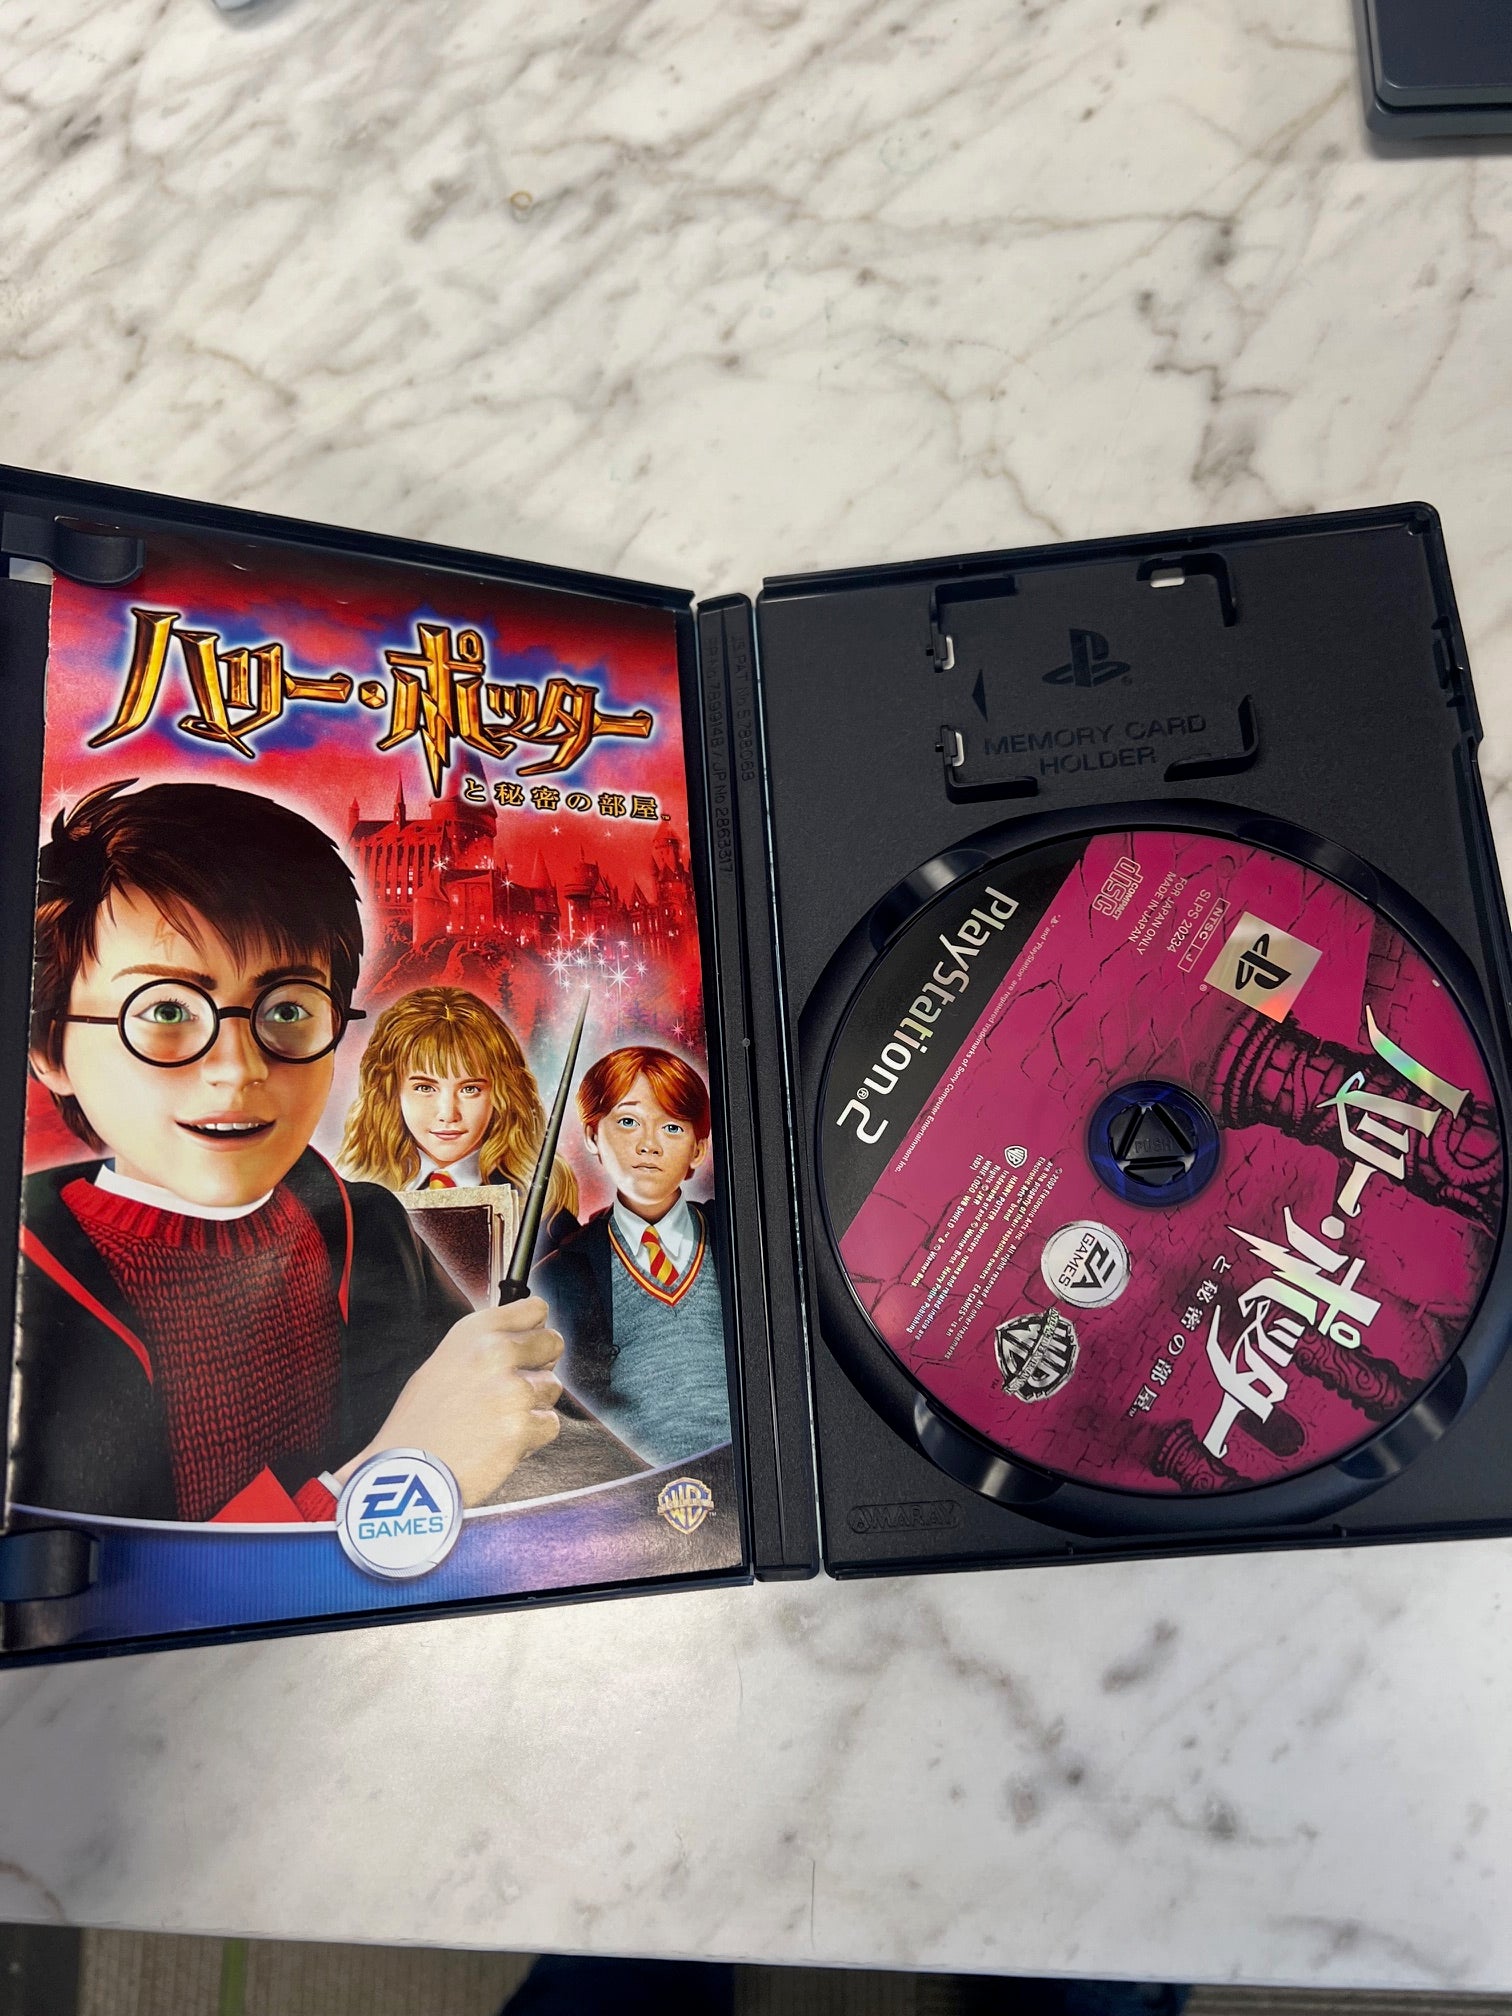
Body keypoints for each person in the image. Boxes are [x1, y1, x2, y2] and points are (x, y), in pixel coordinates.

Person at [15, 779, 565, 1526]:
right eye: (167, 1010)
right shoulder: (31, 1290)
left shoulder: (370, 1230)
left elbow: (538, 1449)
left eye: (287, 1010)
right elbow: (93, 1591)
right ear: (49, 1045)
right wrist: (386, 1473)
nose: (239, 1068)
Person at [533, 1046, 731, 1468]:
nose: (649, 1145)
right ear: (592, 1136)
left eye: (672, 1127)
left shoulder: (737, 1236)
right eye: (628, 1122)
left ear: (698, 1149)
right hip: (632, 1485)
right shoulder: (563, 1273)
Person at [337, 987, 577, 1214]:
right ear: (390, 1092)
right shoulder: (355, 1192)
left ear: (502, 1093)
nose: (448, 1114)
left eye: (470, 1089)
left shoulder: (540, 1195)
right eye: (425, 1088)